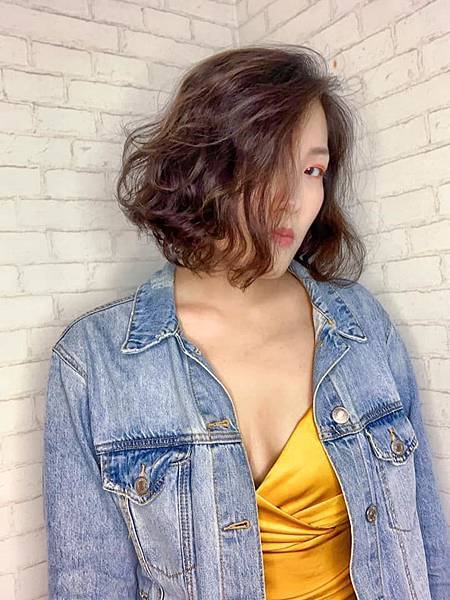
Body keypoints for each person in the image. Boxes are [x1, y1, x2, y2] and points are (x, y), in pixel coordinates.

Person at [43, 44, 450, 599]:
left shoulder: (360, 324)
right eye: (266, 164)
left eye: (312, 170)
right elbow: (90, 582)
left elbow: (426, 540)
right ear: (202, 166)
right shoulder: (94, 362)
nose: (294, 200)